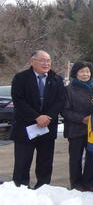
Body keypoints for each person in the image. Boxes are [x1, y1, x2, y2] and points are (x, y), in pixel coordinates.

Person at [11, 50, 66, 188]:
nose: (46, 63)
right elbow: (18, 101)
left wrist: (47, 117)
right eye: (42, 60)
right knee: (22, 162)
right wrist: (36, 117)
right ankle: (20, 188)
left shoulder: (56, 79)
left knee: (45, 163)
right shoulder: (21, 78)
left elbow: (60, 101)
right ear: (32, 61)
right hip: (25, 128)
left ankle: (43, 187)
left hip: (47, 127)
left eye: (48, 60)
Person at [62, 61, 93, 191]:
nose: (85, 74)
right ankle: (76, 183)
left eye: (87, 71)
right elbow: (65, 111)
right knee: (75, 158)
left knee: (91, 157)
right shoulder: (69, 89)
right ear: (75, 73)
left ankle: (88, 181)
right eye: (82, 71)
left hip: (92, 129)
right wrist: (82, 119)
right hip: (75, 129)